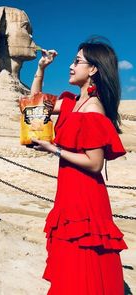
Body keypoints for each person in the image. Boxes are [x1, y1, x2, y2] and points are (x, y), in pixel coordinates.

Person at [30, 38, 128, 295]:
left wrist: (54, 149)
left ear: (93, 69)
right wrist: (41, 69)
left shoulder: (94, 110)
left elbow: (95, 164)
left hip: (85, 197)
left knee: (83, 262)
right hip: (69, 192)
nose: (71, 67)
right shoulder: (74, 104)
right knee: (71, 265)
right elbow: (35, 105)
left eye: (77, 62)